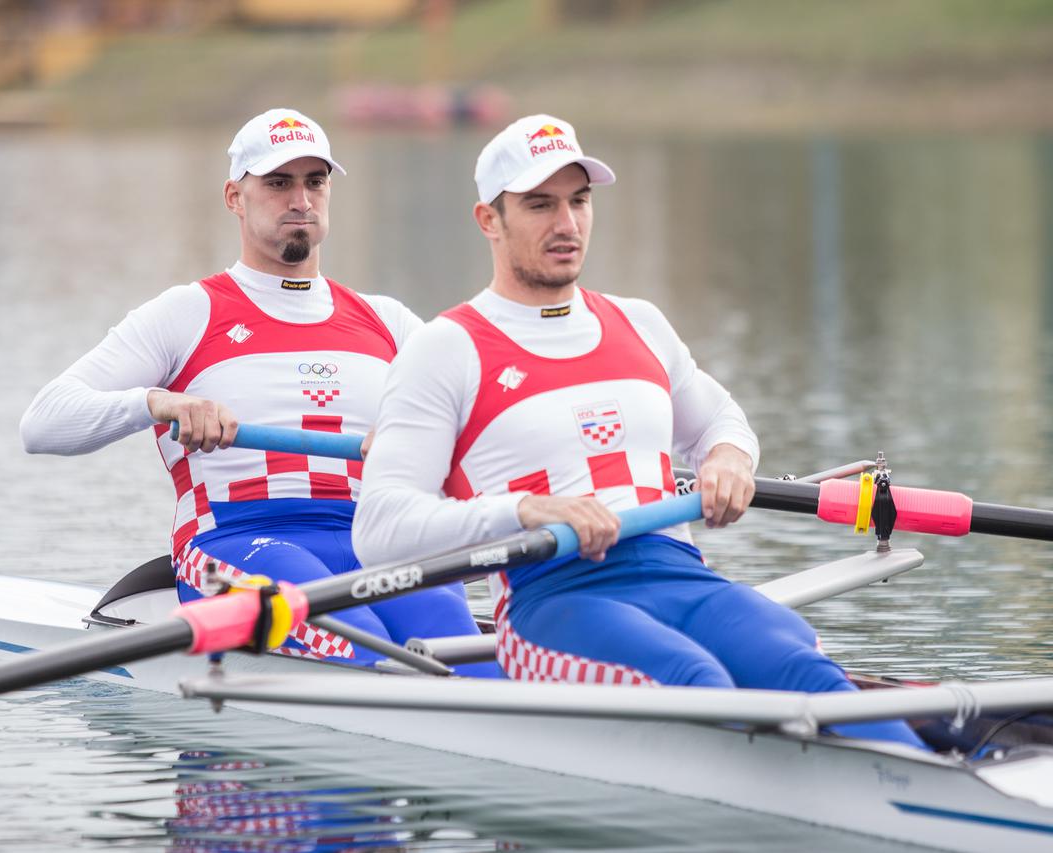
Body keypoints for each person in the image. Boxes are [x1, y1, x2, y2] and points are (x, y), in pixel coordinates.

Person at [353, 114, 924, 746]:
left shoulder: (640, 323)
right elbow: (379, 529)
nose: (567, 224)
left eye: (579, 201)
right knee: (697, 682)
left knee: (804, 671)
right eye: (540, 205)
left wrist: (728, 459)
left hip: (683, 575)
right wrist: (524, 511)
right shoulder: (446, 349)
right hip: (556, 598)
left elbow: (722, 422)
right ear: (489, 219)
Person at [20, 108, 494, 672]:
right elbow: (43, 423)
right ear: (234, 197)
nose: (301, 200)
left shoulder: (388, 322)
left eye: (315, 181)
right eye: (277, 183)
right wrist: (158, 403)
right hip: (236, 541)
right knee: (366, 647)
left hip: (377, 539)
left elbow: (486, 429)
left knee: (468, 655)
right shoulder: (188, 313)